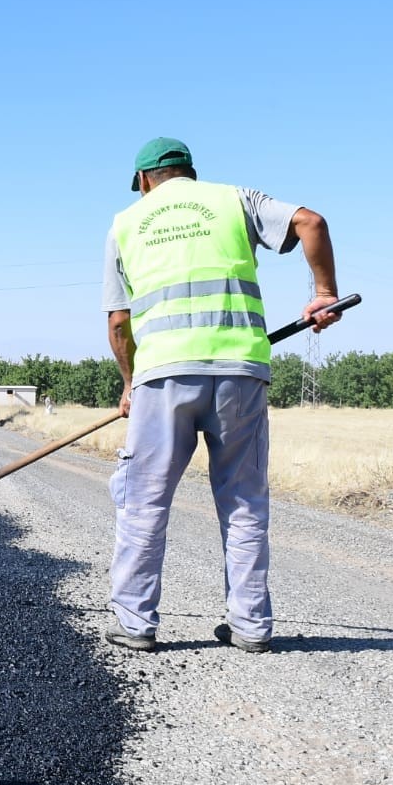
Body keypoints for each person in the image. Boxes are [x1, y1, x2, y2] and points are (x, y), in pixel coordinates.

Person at [101, 137, 340, 654]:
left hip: (163, 376)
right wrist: (323, 293)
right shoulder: (234, 199)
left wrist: (129, 384)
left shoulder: (125, 223)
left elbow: (119, 322)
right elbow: (311, 223)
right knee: (243, 500)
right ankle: (251, 627)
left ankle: (136, 623)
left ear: (143, 181)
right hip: (240, 372)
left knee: (143, 500)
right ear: (190, 172)